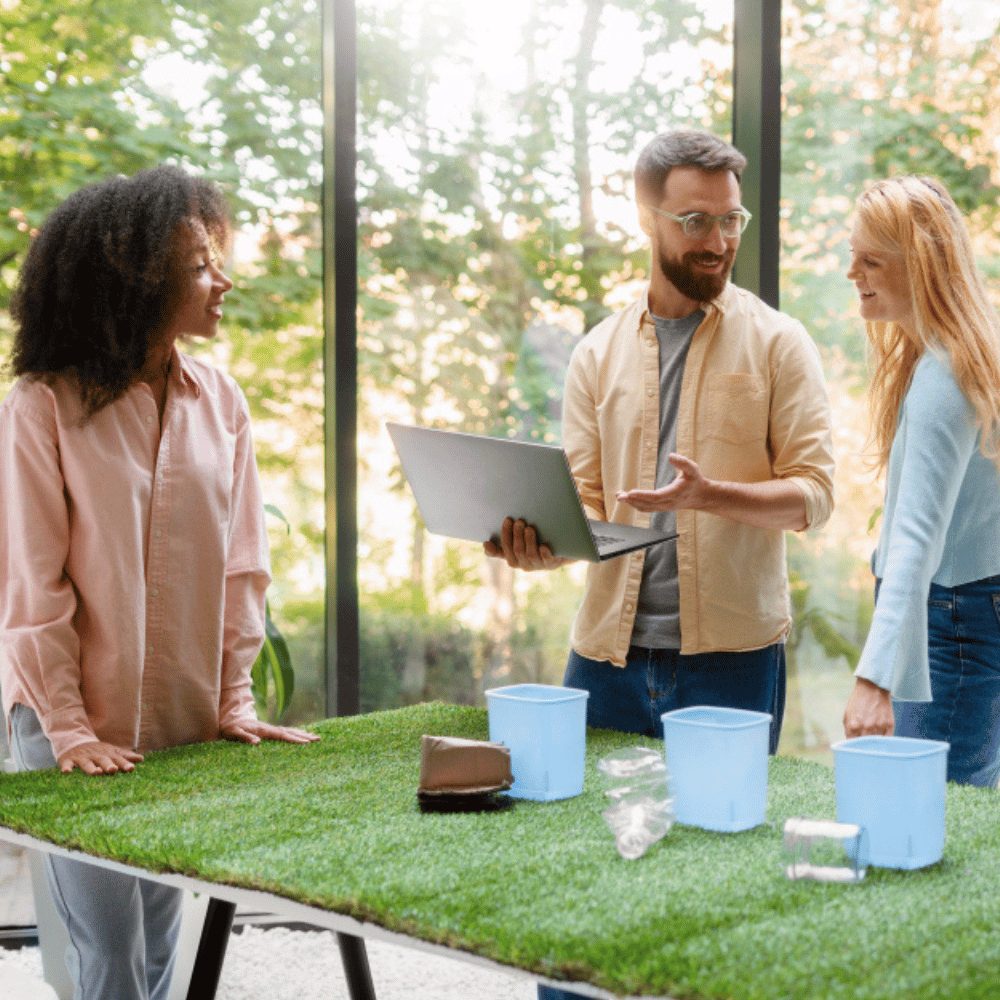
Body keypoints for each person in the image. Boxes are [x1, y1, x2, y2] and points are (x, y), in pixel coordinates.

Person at [487, 130, 834, 1000]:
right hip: (604, 659)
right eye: (694, 219)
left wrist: (715, 496)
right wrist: (535, 548)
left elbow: (815, 495)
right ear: (646, 216)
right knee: (579, 880)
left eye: (731, 219)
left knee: (710, 893)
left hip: (732, 660)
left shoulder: (780, 342)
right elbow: (589, 508)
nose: (717, 239)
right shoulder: (597, 353)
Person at [0, 165, 319, 1000]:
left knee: (157, 956)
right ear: (134, 279)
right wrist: (68, 731)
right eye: (201, 266)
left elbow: (244, 565)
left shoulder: (222, 399)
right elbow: (34, 587)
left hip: (182, 728)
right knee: (107, 961)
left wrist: (232, 700)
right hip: (77, 732)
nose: (225, 281)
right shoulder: (41, 405)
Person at [841, 175, 1000, 788]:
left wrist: (873, 679)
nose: (851, 271)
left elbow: (913, 541)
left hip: (952, 626)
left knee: (938, 813)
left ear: (923, 268)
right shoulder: (969, 356)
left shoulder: (944, 376)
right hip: (969, 615)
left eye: (870, 259)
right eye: (852, 253)